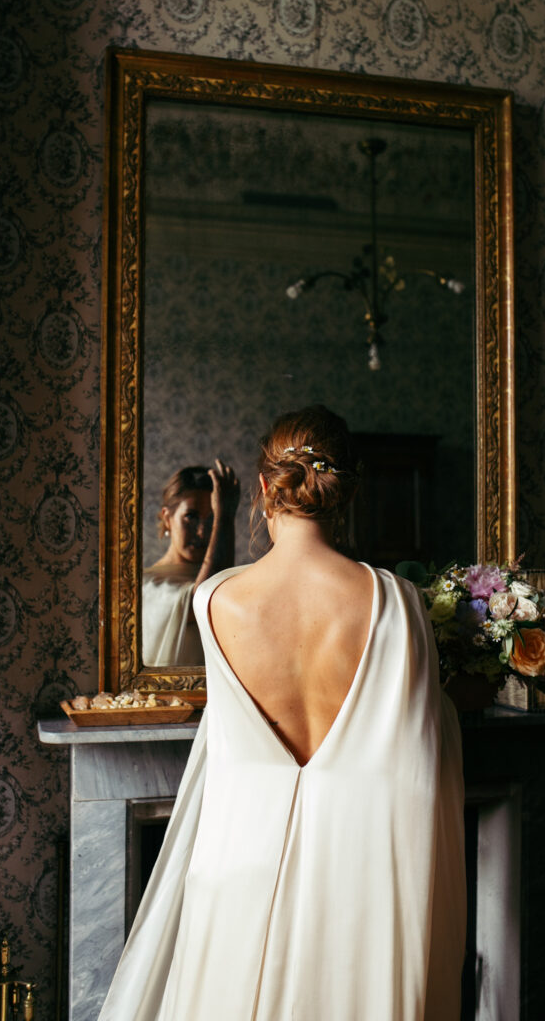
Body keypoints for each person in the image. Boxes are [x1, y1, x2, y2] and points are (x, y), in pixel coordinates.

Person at [99, 405, 466, 1021]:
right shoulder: (394, 601)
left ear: (266, 487)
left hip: (238, 862)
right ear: (344, 491)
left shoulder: (214, 599)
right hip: (359, 879)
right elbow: (426, 755)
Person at [142, 460, 240, 667]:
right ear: (167, 518)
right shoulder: (147, 585)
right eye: (191, 517)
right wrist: (224, 518)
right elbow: (203, 600)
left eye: (212, 519)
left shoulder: (232, 580)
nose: (202, 532)